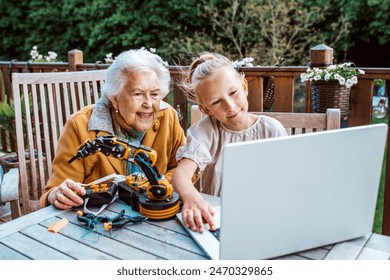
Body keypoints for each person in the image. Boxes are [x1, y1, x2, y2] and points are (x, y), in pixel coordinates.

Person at [40, 49, 186, 209]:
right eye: (138, 94)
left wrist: (155, 188)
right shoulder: (80, 125)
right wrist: (57, 195)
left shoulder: (168, 117)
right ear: (115, 99)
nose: (148, 104)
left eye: (155, 94)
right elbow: (54, 191)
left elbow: (183, 169)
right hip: (100, 221)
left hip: (155, 213)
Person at [171, 52, 287, 233]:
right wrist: (192, 198)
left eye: (233, 92)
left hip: (263, 219)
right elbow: (181, 175)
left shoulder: (272, 129)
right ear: (205, 108)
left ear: (244, 86)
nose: (230, 106)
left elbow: (285, 180)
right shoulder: (205, 131)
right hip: (216, 220)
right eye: (216, 102)